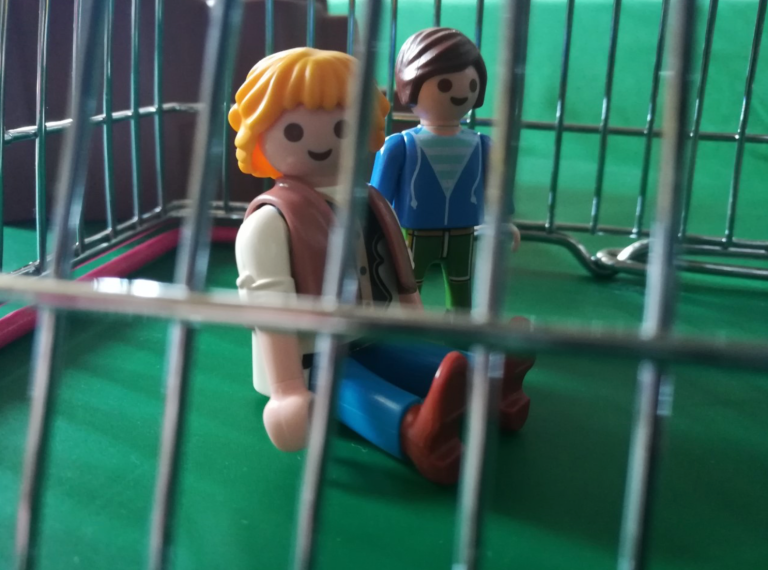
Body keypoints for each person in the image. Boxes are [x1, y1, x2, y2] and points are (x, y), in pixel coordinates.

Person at [229, 47, 532, 484]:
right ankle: (415, 431)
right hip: (310, 357)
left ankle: (493, 381)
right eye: (293, 130)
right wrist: (286, 390)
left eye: (343, 128)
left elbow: (399, 270)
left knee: (429, 361)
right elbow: (271, 311)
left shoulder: (369, 201)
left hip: (371, 331)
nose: (322, 142)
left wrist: (415, 321)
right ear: (257, 137)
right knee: (349, 383)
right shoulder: (268, 223)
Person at [370, 28, 521, 311]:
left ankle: (459, 328)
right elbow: (377, 199)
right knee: (407, 286)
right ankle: (405, 327)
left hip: (463, 233)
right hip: (414, 234)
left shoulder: (482, 145)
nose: (461, 93)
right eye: (444, 85)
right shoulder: (400, 145)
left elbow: (498, 189)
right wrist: (374, 233)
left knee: (461, 287)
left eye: (471, 84)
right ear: (410, 86)